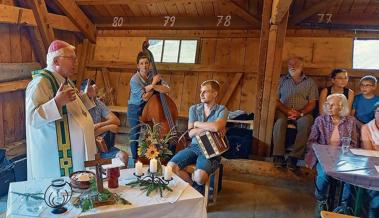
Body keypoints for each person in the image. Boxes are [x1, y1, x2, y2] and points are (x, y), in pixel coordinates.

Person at [26, 40, 97, 180]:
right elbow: (32, 119)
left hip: (75, 154)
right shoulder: (40, 83)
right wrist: (57, 102)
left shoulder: (66, 80)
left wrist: (86, 96)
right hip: (57, 159)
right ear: (57, 61)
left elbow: (72, 108)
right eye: (72, 59)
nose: (76, 62)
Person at [168, 80, 228, 194]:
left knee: (200, 177)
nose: (201, 94)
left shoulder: (222, 110)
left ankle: (196, 188)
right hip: (194, 146)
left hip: (211, 149)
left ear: (215, 94)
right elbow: (190, 133)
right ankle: (194, 189)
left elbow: (216, 127)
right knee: (170, 167)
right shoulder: (194, 109)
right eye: (201, 91)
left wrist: (196, 124)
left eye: (205, 92)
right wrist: (209, 128)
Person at [305, 94, 359, 218]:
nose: (329, 107)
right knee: (323, 175)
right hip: (324, 157)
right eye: (327, 104)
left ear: (341, 107)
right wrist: (315, 154)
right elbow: (311, 141)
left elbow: (354, 143)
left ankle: (344, 207)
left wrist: (347, 150)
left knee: (350, 177)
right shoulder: (320, 120)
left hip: (343, 158)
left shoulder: (350, 121)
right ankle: (321, 201)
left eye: (332, 105)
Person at [272, 57, 319, 170]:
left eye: (296, 64)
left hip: (302, 112)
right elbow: (276, 100)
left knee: (307, 122)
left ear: (302, 66)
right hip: (283, 110)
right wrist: (287, 110)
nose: (292, 66)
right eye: (290, 64)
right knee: (280, 122)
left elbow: (312, 103)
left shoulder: (310, 82)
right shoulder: (282, 80)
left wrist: (300, 113)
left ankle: (294, 157)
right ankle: (278, 156)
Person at [127, 52, 169, 164]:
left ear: (149, 64)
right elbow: (144, 98)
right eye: (141, 63)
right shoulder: (134, 79)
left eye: (146, 63)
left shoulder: (153, 74)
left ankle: (152, 157)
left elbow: (167, 89)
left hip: (149, 106)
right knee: (135, 133)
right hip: (135, 107)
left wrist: (153, 85)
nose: (144, 65)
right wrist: (155, 84)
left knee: (152, 132)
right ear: (138, 66)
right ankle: (135, 159)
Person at [80, 79, 128, 165]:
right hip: (87, 150)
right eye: (91, 90)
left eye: (95, 90)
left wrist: (99, 125)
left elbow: (116, 121)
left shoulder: (98, 103)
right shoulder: (81, 105)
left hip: (102, 146)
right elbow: (89, 134)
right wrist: (108, 127)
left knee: (123, 156)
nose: (95, 92)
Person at [360, 102, 379, 218]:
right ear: (374, 113)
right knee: (374, 194)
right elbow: (370, 153)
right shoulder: (366, 128)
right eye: (378, 112)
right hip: (371, 167)